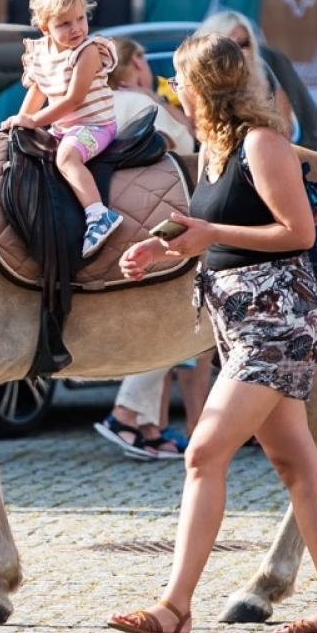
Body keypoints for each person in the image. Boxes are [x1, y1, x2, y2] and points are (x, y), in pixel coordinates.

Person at [110, 32, 317, 633]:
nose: (176, 94)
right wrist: (161, 244)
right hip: (238, 320)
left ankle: (174, 607)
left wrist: (207, 233)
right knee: (296, 463)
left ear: (202, 87)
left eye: (179, 83)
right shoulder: (216, 149)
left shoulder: (263, 143)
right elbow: (211, 226)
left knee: (203, 452)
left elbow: (296, 232)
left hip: (278, 320)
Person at [94, 37, 205, 461]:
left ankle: (143, 424)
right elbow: (190, 151)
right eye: (140, 56)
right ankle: (125, 414)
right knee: (172, 322)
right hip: (151, 221)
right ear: (131, 63)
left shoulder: (95, 104)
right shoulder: (142, 103)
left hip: (106, 220)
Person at [2, 0, 124, 257]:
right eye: (64, 23)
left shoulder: (88, 51)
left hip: (95, 125)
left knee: (66, 157)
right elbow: (38, 90)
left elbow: (74, 99)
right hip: (63, 128)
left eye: (81, 19)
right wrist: (20, 123)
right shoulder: (40, 53)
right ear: (45, 28)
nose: (76, 29)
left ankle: (98, 214)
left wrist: (33, 121)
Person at [196, 10, 296, 136]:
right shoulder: (194, 90)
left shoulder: (273, 92)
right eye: (231, 46)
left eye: (244, 44)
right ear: (211, 51)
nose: (240, 52)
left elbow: (284, 142)